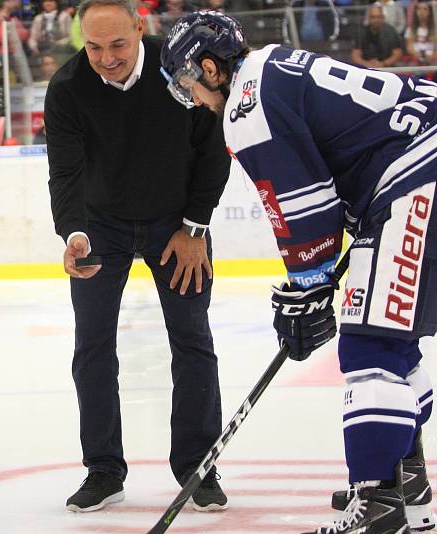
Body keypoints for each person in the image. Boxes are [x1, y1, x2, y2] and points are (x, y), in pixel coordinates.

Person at [161, 10, 437, 534]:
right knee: (393, 343)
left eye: (189, 83)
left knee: (371, 346)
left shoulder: (246, 105)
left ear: (213, 69)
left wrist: (308, 284)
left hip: (416, 177)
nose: (192, 98)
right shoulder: (273, 67)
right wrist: (313, 277)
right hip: (417, 165)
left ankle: (378, 506)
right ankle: (407, 487)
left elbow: (304, 202)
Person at [45, 0, 230, 514]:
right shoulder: (67, 89)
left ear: (140, 29)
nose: (106, 58)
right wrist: (74, 233)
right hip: (100, 225)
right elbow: (65, 172)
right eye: (94, 46)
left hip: (177, 224)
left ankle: (198, 467)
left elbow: (214, 149)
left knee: (193, 340)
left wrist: (195, 226)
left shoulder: (181, 72)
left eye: (118, 44)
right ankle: (103, 469)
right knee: (93, 347)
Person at [351, 4, 404, 68]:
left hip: (387, 67)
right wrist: (367, 64)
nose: (376, 20)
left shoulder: (391, 31)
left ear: (383, 18)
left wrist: (383, 64)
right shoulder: (362, 32)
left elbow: (397, 54)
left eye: (378, 17)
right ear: (368, 18)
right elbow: (355, 55)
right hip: (366, 67)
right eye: (373, 17)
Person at [404, 1, 437, 65]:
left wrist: (433, 55)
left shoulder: (436, 29)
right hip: (415, 57)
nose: (421, 12)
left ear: (430, 12)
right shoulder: (410, 29)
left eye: (425, 9)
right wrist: (416, 54)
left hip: (432, 58)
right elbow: (409, 47)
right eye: (419, 9)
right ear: (415, 11)